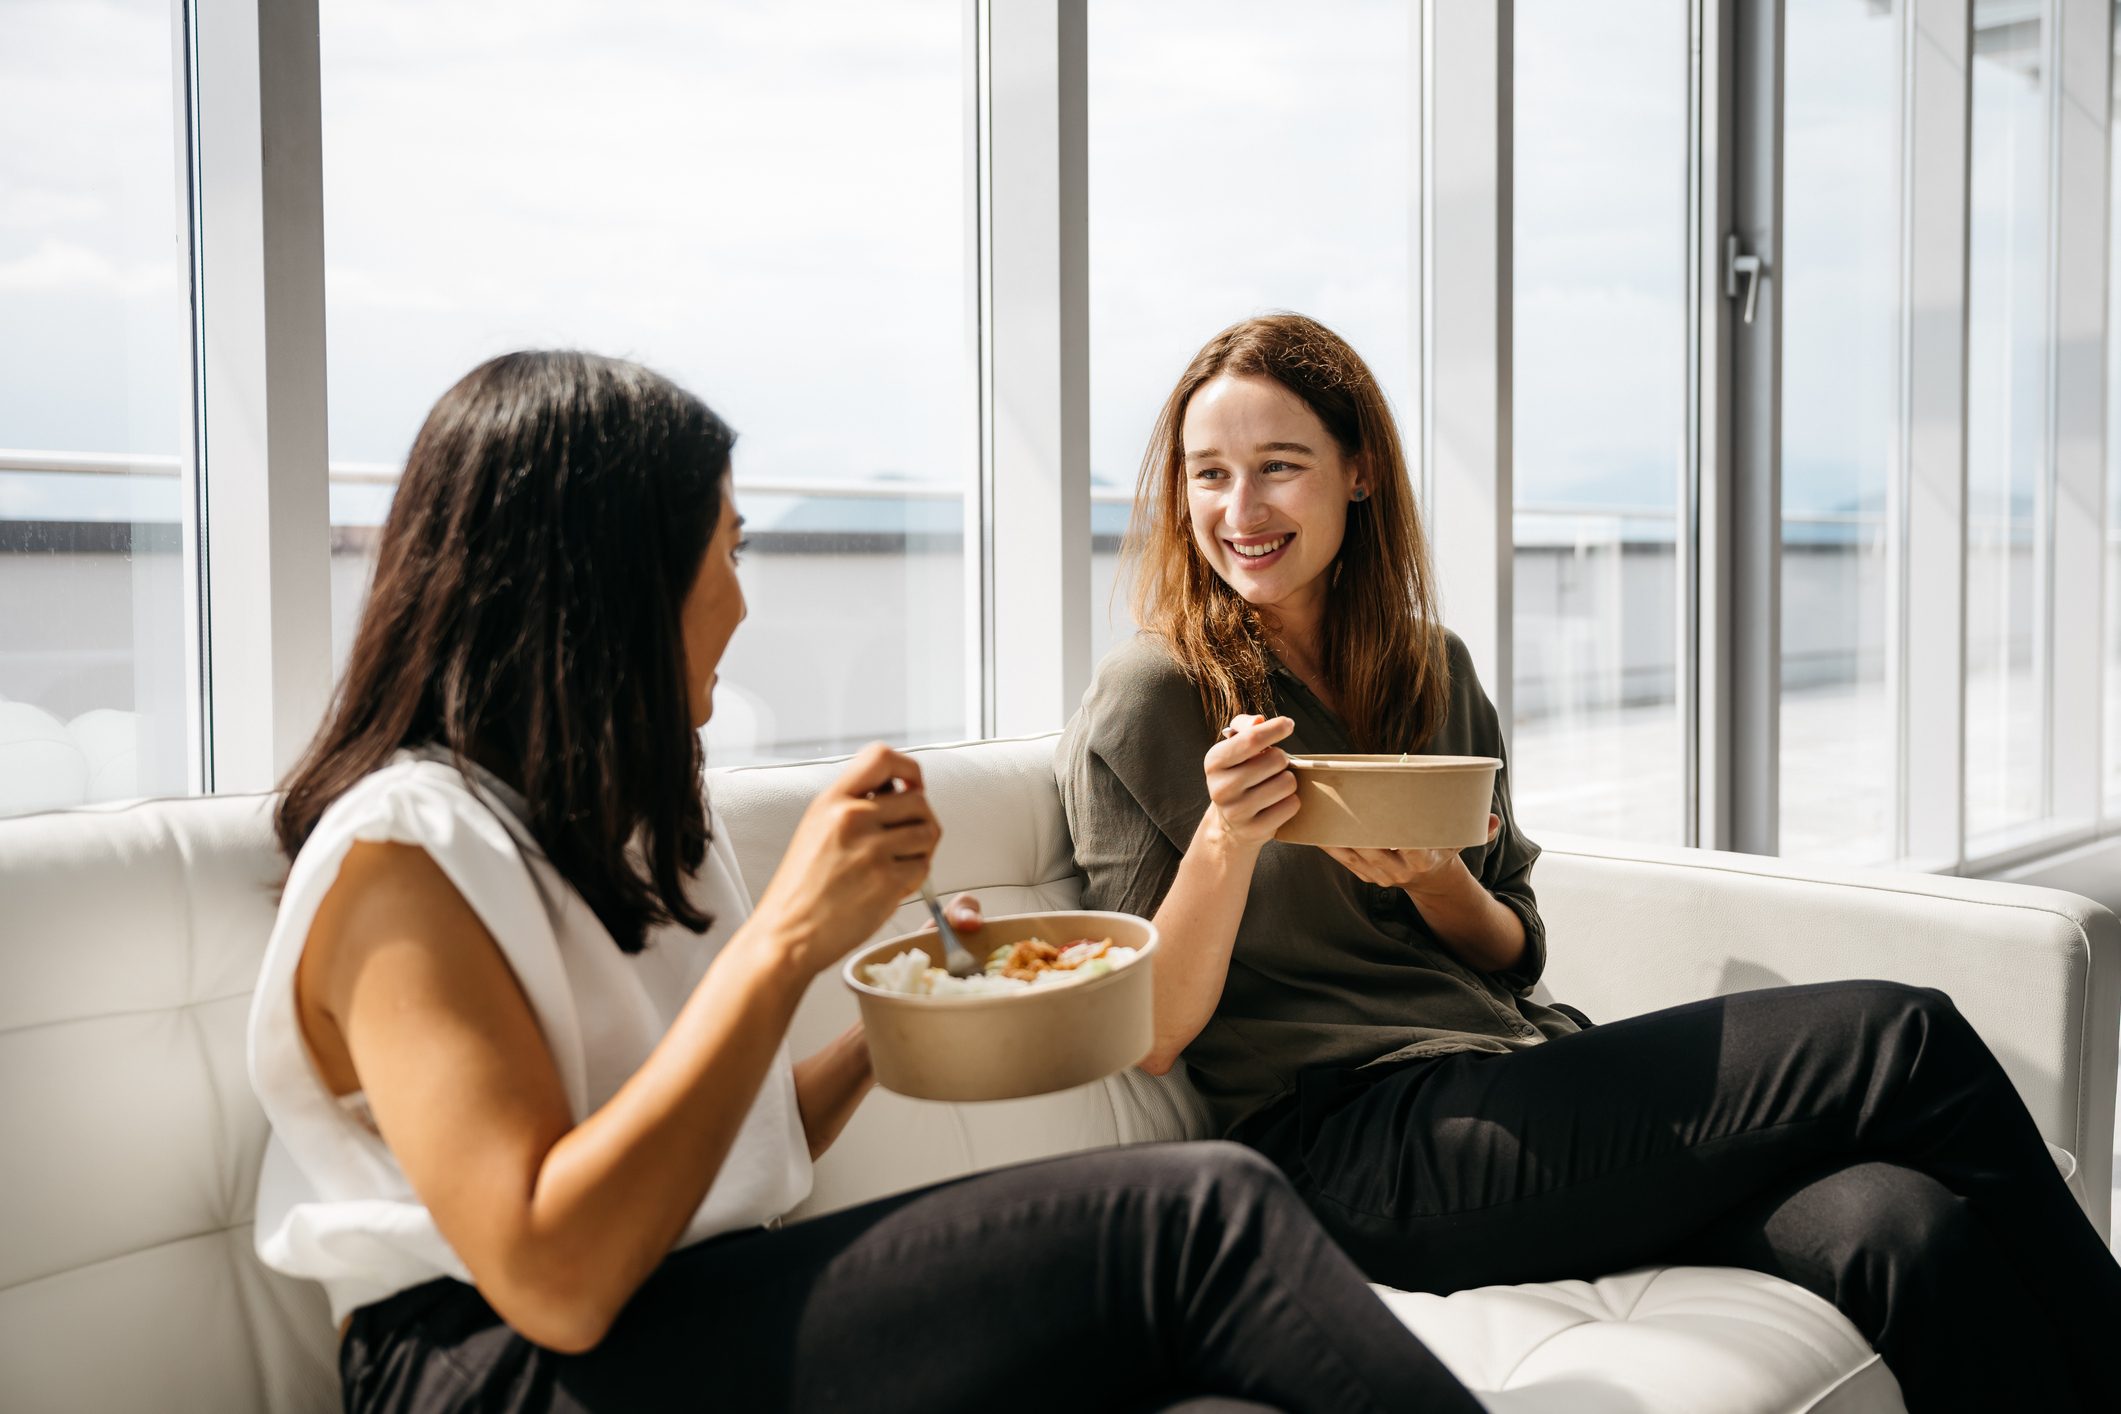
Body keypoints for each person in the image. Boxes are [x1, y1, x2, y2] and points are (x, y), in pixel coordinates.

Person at [248, 350, 1483, 1414]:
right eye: (726, 548)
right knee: (1207, 1214)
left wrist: (916, 1031)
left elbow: (689, 1146)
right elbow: (553, 1273)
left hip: (683, 1304)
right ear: (613, 583)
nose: (743, 595)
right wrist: (787, 939)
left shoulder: (623, 823)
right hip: (485, 1368)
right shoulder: (402, 859)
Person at [1057, 313, 2121, 1413]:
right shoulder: (1154, 696)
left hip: (1512, 1073)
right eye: (1209, 475)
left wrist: (1435, 879)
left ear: (1359, 470)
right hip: (1353, 1146)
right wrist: (1230, 841)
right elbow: (1146, 1032)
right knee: (1905, 1038)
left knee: (1904, 1232)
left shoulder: (1428, 669)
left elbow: (1514, 948)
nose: (1241, 511)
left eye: (1279, 467)